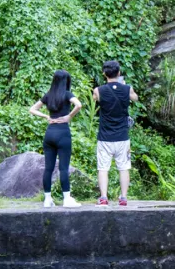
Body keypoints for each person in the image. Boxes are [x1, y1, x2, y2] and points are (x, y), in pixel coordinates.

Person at [30, 70, 82, 208]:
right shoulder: (67, 94)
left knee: (48, 168)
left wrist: (46, 117)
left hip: (50, 133)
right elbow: (79, 105)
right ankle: (67, 199)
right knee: (63, 168)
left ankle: (47, 199)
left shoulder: (48, 95)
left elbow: (32, 109)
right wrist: (69, 116)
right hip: (63, 133)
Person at [93, 60, 138, 207]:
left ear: (104, 74)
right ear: (118, 73)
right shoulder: (127, 89)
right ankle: (123, 198)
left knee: (103, 168)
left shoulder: (98, 90)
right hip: (122, 137)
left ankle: (104, 197)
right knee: (124, 167)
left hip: (105, 137)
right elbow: (135, 98)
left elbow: (95, 100)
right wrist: (123, 86)